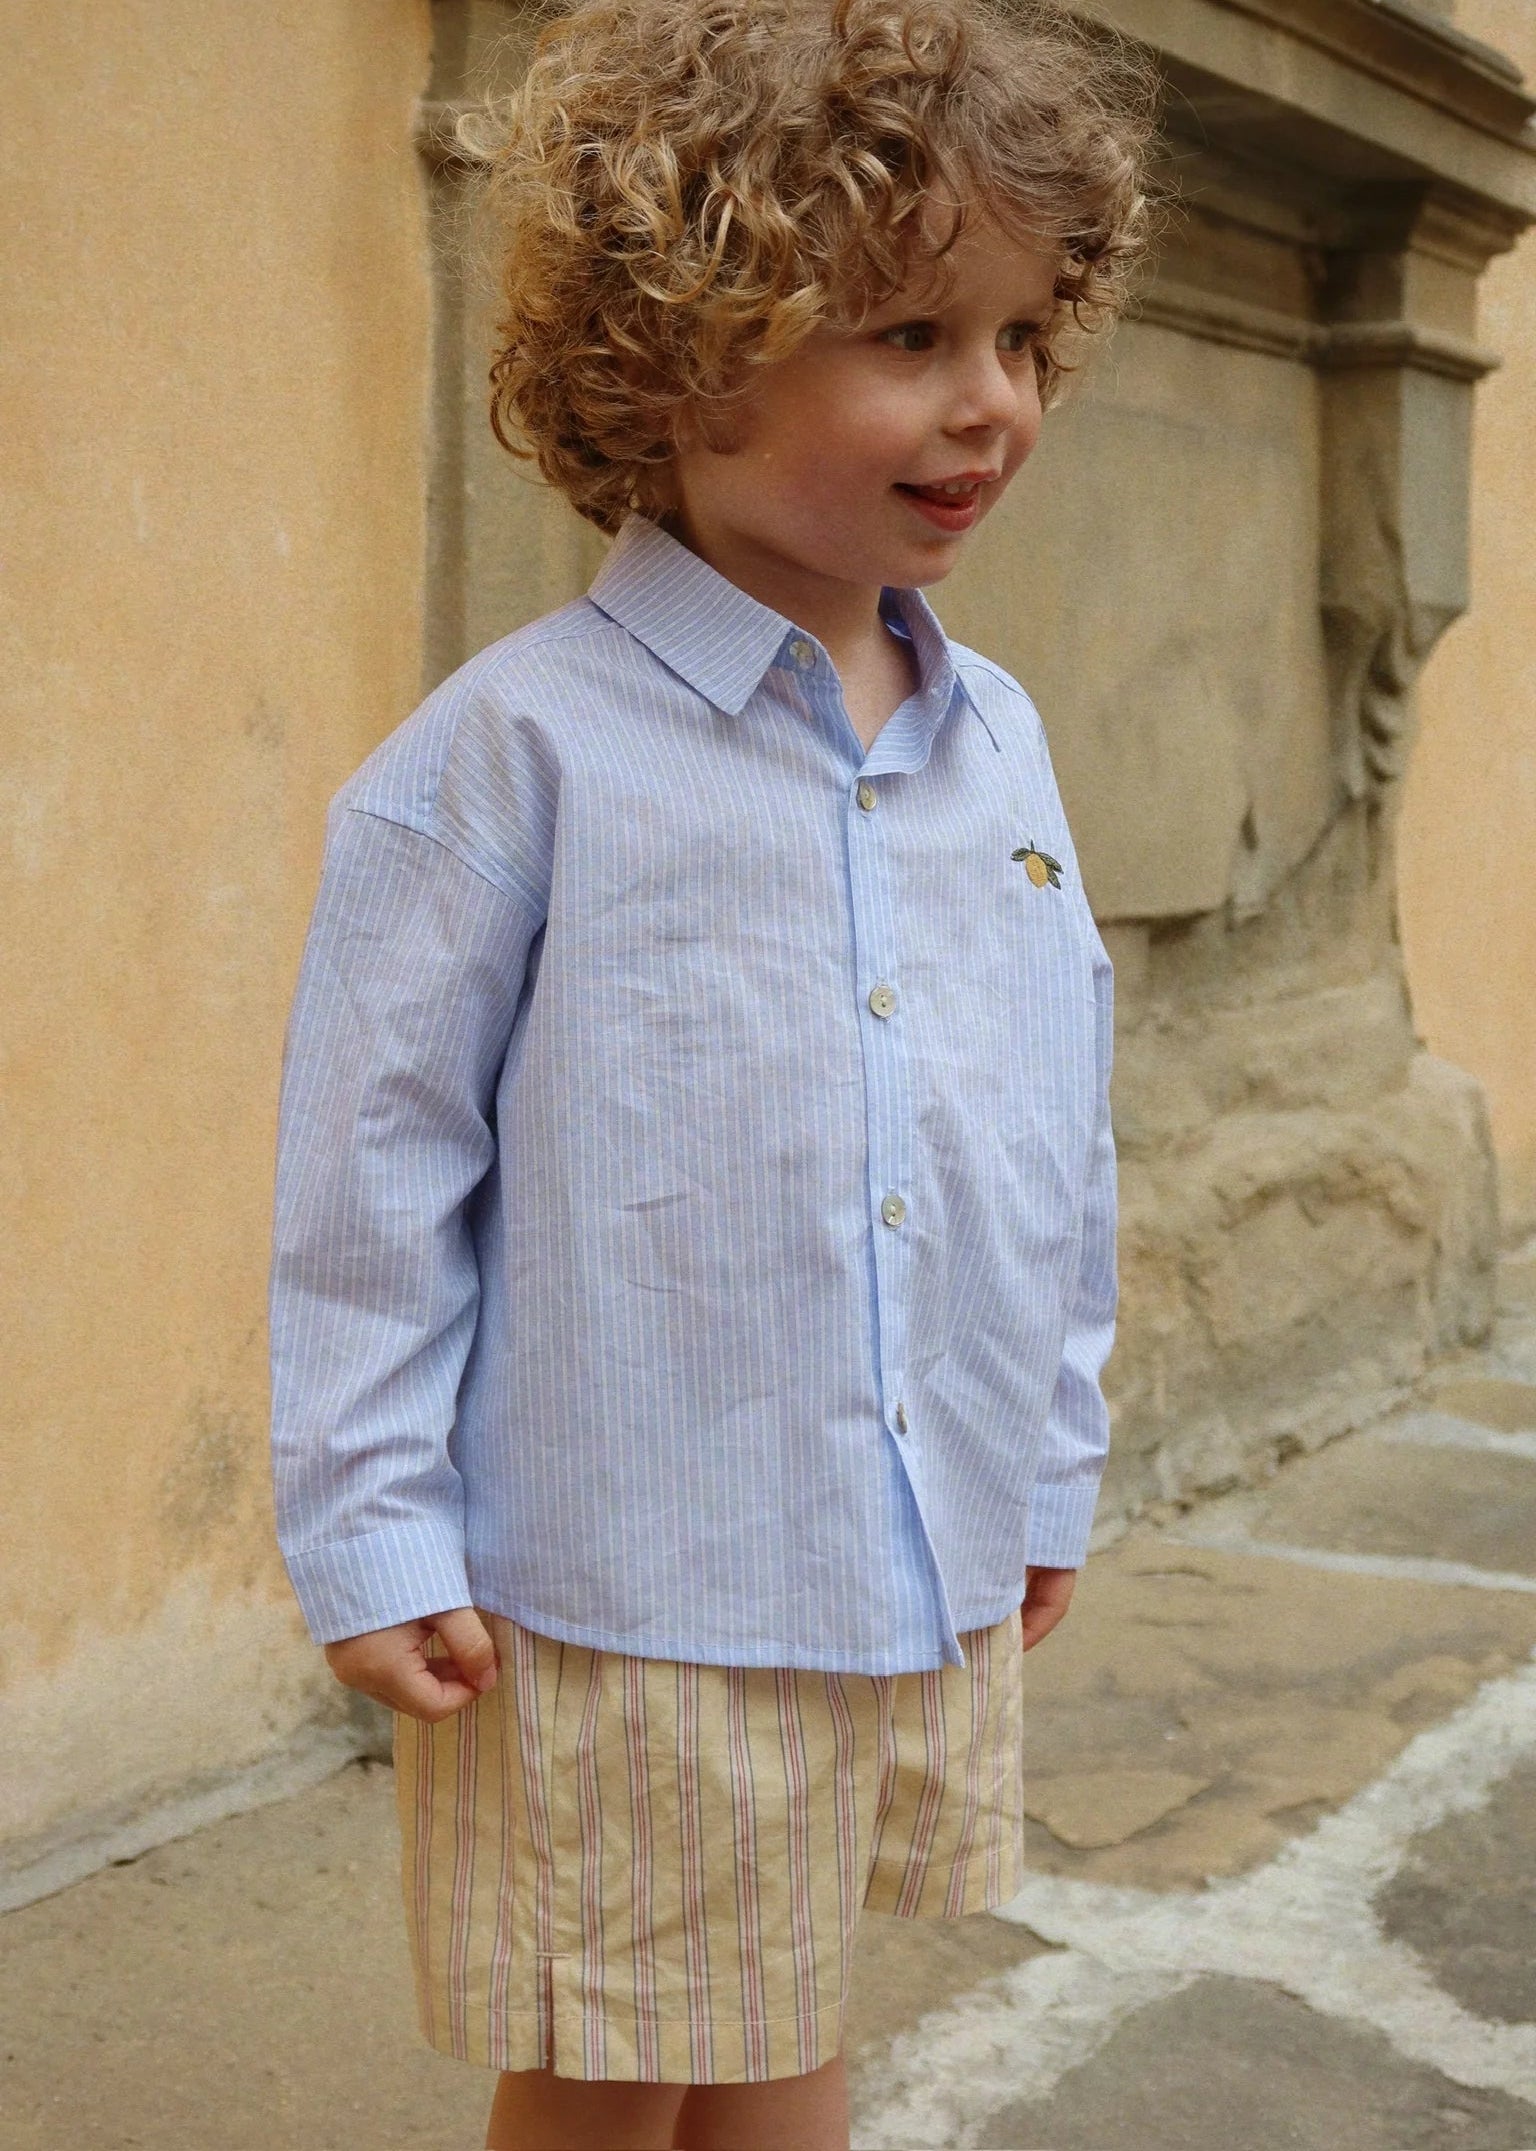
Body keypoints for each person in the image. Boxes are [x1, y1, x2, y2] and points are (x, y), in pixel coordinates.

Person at [268, 0, 1157, 2143]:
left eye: (1028, 334)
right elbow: (376, 1173)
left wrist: (1040, 1454)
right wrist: (374, 1524)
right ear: (675, 342)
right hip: (615, 1576)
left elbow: (1050, 1123)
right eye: (910, 333)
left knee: (787, 1988)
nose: (994, 404)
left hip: (887, 1537)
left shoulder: (999, 744)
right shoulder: (517, 757)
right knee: (602, 2044)